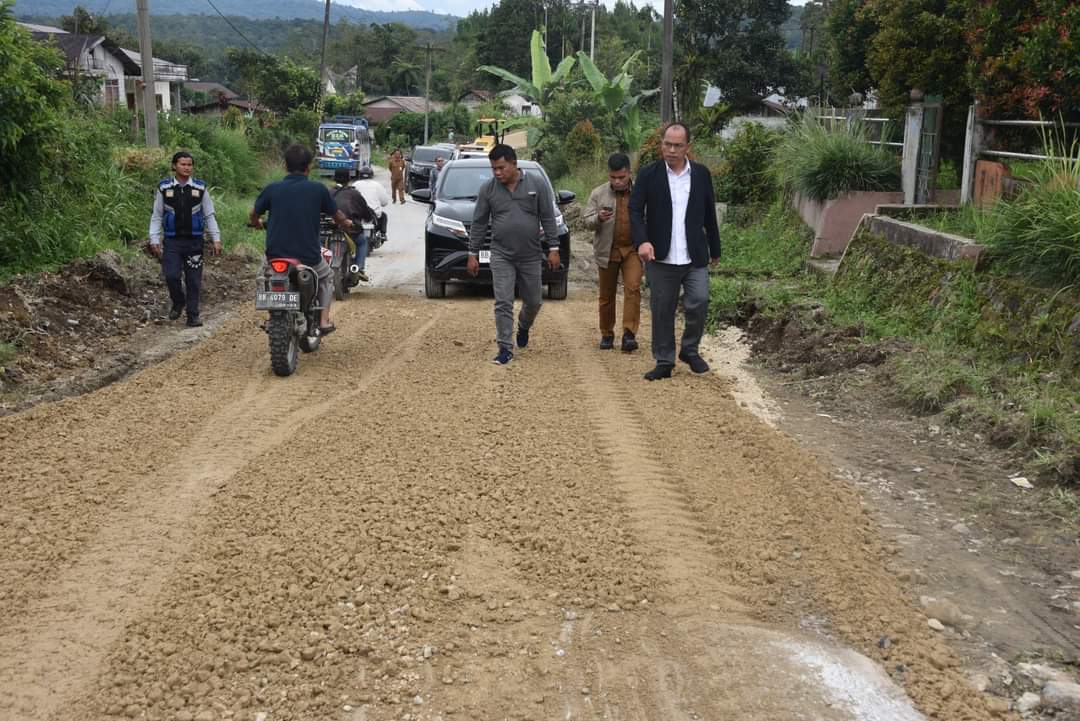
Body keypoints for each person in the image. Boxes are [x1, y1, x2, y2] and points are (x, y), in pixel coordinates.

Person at [629, 123, 721, 381]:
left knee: (699, 300)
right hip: (660, 255)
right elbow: (635, 211)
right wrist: (642, 242)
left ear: (688, 148)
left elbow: (709, 213)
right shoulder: (649, 174)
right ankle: (664, 360)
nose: (670, 150)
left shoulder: (701, 174)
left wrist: (715, 247)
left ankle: (690, 350)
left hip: (694, 255)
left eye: (677, 145)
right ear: (661, 144)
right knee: (662, 308)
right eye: (667, 144)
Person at [467, 144, 560, 365]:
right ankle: (505, 348)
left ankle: (524, 326)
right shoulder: (488, 190)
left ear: (514, 164)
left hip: (530, 255)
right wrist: (473, 253)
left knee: (534, 301)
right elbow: (479, 223)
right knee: (503, 301)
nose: (497, 173)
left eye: (501, 167)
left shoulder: (536, 185)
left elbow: (548, 217)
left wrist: (553, 249)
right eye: (493, 169)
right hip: (501, 254)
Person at [249, 144, 354, 335]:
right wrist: (346, 222)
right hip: (308, 256)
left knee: (265, 276)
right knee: (327, 277)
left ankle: (272, 317)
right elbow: (337, 215)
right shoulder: (318, 189)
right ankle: (323, 321)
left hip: (276, 254)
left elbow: (254, 214)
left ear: (285, 166)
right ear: (309, 167)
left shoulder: (272, 189)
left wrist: (256, 223)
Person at [149, 151, 222, 328]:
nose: (187, 168)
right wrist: (154, 238)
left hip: (195, 241)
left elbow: (209, 214)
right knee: (171, 275)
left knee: (193, 280)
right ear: (174, 166)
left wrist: (216, 238)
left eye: (189, 165)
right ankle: (178, 301)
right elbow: (157, 215)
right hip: (172, 241)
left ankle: (193, 315)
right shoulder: (164, 188)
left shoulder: (200, 188)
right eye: (183, 164)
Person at [583, 152, 640, 352]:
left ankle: (629, 334)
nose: (617, 182)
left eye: (621, 177)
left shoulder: (640, 192)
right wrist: (598, 218)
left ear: (629, 174)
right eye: (613, 177)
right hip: (607, 250)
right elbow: (586, 221)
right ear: (608, 175)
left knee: (633, 289)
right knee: (606, 295)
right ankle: (607, 333)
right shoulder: (598, 193)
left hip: (632, 250)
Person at [332, 169, 376, 281]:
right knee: (362, 242)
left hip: (329, 231)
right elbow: (365, 211)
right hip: (350, 231)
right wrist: (369, 218)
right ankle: (359, 268)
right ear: (349, 179)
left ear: (334, 178)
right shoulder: (354, 194)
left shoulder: (328, 192)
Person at [351, 174, 390, 243]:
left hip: (359, 213)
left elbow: (350, 199)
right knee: (384, 216)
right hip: (374, 213)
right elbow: (385, 202)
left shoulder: (355, 184)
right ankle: (383, 234)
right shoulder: (377, 185)